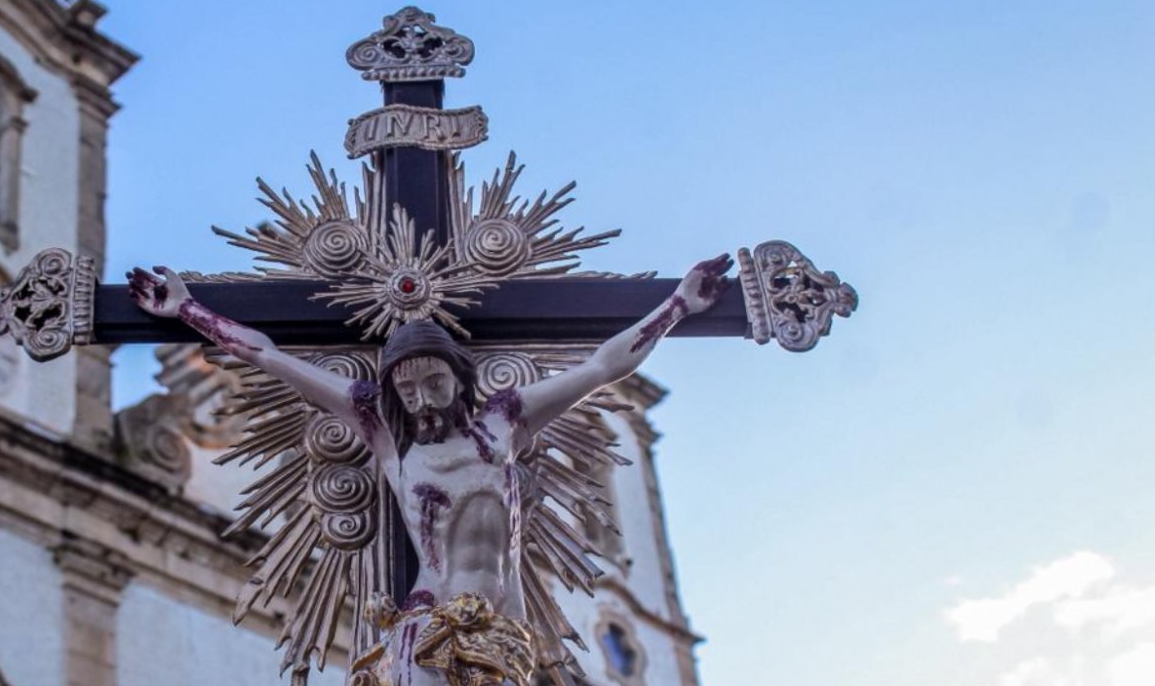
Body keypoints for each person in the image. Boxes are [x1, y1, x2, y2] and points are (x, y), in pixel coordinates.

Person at [127, 255, 733, 685]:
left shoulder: (506, 422)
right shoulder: (386, 435)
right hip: (428, 622)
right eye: (407, 386)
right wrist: (189, 312)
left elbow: (604, 366)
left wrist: (677, 305)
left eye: (434, 380)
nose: (421, 398)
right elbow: (267, 354)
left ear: (459, 377)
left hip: (508, 630)